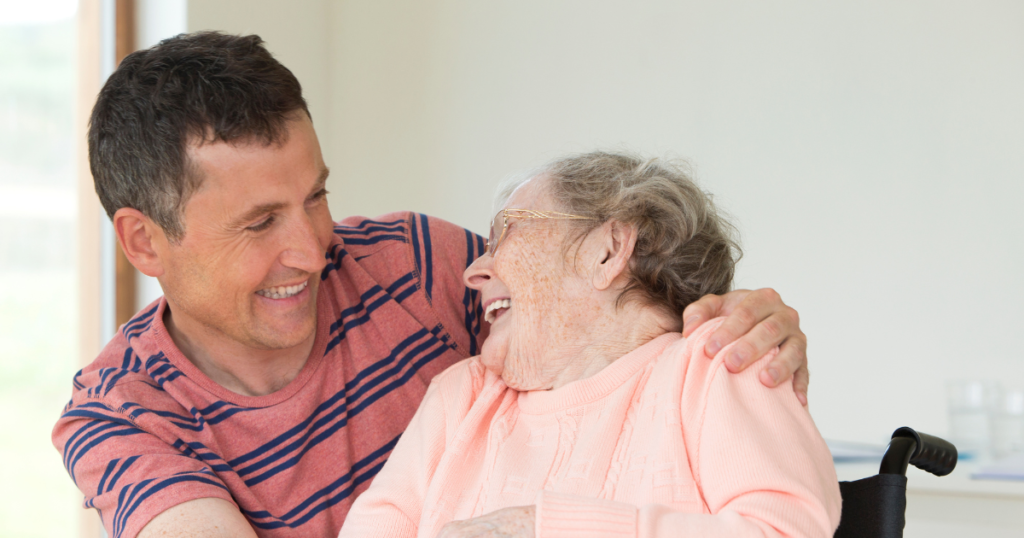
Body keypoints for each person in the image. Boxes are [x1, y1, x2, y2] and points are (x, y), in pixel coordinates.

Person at [52, 32, 812, 538]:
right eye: (259, 224)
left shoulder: (418, 264)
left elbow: (593, 307)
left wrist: (735, 318)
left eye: (315, 196)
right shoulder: (119, 411)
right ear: (143, 241)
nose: (315, 251)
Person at [339, 152, 840, 538]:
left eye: (505, 234)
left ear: (607, 250)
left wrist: (542, 527)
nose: (474, 271)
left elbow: (783, 530)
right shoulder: (462, 396)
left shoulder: (718, 361)